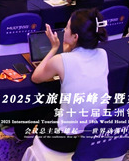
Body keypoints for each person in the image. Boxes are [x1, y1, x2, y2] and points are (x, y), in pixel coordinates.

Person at [29, 9, 109, 153]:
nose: (63, 30)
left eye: (66, 28)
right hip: (93, 135)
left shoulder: (60, 60)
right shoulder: (103, 54)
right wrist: (68, 48)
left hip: (66, 139)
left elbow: (36, 77)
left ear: (75, 37)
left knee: (44, 108)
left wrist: (54, 48)